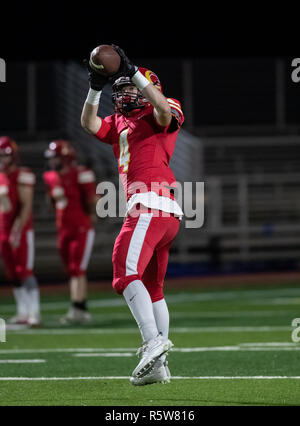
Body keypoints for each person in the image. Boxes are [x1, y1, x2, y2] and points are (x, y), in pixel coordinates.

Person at [81, 45, 184, 385]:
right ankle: (161, 367)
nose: (123, 93)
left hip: (150, 204)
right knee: (153, 288)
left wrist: (134, 71)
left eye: (129, 87)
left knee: (123, 273)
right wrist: (95, 86)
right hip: (164, 213)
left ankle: (153, 343)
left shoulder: (162, 108)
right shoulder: (120, 121)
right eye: (120, 88)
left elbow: (163, 110)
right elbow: (88, 122)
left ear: (145, 85)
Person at [43, 140, 98, 324]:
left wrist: (91, 217)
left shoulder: (81, 174)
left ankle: (79, 308)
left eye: (55, 158)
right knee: (71, 269)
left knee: (78, 269)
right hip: (63, 228)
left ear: (65, 158)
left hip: (81, 226)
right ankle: (78, 307)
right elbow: (51, 203)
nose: (52, 162)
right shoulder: (51, 177)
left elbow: (92, 200)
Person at [0, 136, 41, 326]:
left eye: (4, 156)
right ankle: (23, 312)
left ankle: (34, 312)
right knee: (12, 273)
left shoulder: (22, 174)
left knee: (25, 271)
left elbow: (26, 206)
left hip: (20, 229)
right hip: (3, 229)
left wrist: (17, 229)